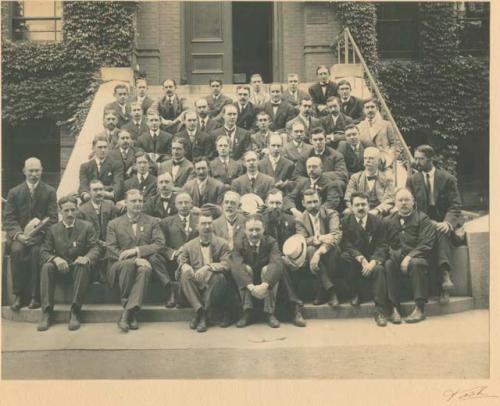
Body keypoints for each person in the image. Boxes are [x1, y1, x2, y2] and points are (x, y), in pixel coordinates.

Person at [406, 145, 463, 304]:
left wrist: (447, 222)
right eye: (415, 158)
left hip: (443, 222)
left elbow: (455, 205)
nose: (416, 162)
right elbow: (411, 206)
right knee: (435, 231)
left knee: (440, 230)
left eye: (421, 158)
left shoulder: (447, 178)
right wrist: (426, 222)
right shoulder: (412, 179)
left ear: (431, 159)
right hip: (422, 223)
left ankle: (445, 282)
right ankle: (445, 277)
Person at [106, 189, 167, 332]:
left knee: (146, 269)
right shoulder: (114, 224)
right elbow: (111, 248)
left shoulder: (151, 221)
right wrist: (134, 259)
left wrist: (137, 251)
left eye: (140, 201)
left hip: (143, 263)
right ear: (126, 203)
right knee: (128, 265)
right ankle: (131, 312)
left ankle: (128, 313)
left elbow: (160, 243)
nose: (138, 204)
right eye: (133, 201)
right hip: (118, 265)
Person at [37, 195, 100, 331]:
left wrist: (86, 257)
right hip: (62, 269)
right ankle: (47, 312)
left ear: (77, 209)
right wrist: (55, 259)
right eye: (66, 210)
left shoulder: (87, 226)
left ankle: (75, 311)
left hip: (80, 271)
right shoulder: (53, 229)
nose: (70, 214)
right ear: (60, 211)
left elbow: (95, 247)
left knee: (82, 266)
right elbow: (44, 251)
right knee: (47, 267)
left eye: (73, 210)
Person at [4, 157, 58, 310]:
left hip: (40, 237)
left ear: (42, 171)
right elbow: (9, 218)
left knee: (36, 253)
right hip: (19, 237)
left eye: (37, 170)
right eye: (30, 171)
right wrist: (19, 235)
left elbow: (52, 218)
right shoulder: (14, 192)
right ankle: (19, 296)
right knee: (17, 251)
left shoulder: (49, 192)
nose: (34, 174)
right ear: (24, 171)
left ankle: (35, 296)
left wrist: (37, 236)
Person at [384, 188, 436, 324]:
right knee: (388, 264)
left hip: (418, 257)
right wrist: (393, 254)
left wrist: (409, 257)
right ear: (395, 203)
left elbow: (426, 243)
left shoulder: (422, 218)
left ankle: (419, 308)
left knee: (416, 263)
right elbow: (383, 243)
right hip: (396, 257)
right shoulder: (388, 221)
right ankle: (394, 308)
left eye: (407, 200)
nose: (403, 203)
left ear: (413, 202)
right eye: (400, 200)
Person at [177, 209, 233, 332]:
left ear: (213, 225)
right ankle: (200, 311)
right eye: (203, 224)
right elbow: (182, 261)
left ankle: (203, 314)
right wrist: (184, 266)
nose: (207, 227)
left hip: (214, 285)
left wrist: (209, 267)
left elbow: (226, 264)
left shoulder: (222, 244)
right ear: (197, 226)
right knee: (185, 275)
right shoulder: (189, 246)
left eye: (209, 223)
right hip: (196, 284)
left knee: (219, 277)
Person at [340, 192, 389, 326]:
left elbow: (382, 245)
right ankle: (355, 293)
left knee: (379, 269)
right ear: (351, 207)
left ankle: (380, 310)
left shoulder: (378, 221)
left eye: (363, 204)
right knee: (344, 258)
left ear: (368, 205)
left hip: (373, 259)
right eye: (357, 205)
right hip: (356, 259)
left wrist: (373, 262)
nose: (361, 208)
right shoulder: (345, 222)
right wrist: (360, 259)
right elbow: (346, 244)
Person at [262, 189, 306, 327]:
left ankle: (273, 313)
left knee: (284, 265)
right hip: (265, 259)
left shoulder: (291, 220)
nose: (275, 206)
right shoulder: (260, 220)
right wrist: (280, 258)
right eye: (272, 203)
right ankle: (295, 306)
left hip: (287, 260)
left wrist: (291, 257)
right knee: (278, 264)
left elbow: (299, 239)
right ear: (266, 203)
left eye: (278, 203)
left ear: (282, 204)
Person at [231, 214, 284, 328]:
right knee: (245, 268)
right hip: (249, 281)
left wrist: (264, 285)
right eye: (251, 230)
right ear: (245, 231)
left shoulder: (271, 242)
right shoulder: (239, 243)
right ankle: (247, 311)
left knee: (268, 269)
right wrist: (251, 287)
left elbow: (277, 263)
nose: (254, 234)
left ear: (263, 229)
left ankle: (269, 312)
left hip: (265, 280)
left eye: (257, 230)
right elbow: (237, 267)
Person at [295, 189, 342, 306]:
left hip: (330, 249)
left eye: (315, 201)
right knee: (310, 250)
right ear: (303, 203)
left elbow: (335, 235)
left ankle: (323, 290)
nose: (313, 205)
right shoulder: (300, 219)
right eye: (309, 202)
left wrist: (319, 252)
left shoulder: (331, 214)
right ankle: (330, 290)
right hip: (312, 251)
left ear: (320, 201)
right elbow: (302, 240)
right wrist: (320, 238)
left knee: (331, 249)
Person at [158, 192, 199, 308]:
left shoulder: (199, 221)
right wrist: (175, 253)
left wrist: (187, 252)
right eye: (180, 203)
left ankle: (181, 296)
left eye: (186, 202)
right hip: (173, 260)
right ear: (175, 205)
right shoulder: (166, 222)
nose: (184, 205)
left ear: (191, 204)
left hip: (194, 258)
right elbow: (160, 244)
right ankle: (172, 290)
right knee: (156, 258)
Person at [77, 179, 120, 283]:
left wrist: (109, 242)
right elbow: (84, 233)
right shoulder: (82, 210)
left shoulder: (110, 205)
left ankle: (110, 278)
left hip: (109, 242)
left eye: (101, 189)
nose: (99, 192)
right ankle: (96, 277)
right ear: (90, 192)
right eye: (95, 190)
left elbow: (116, 226)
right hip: (92, 244)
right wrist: (100, 243)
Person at [344, 147, 395, 216]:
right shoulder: (355, 178)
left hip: (379, 214)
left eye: (371, 158)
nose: (367, 161)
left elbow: (389, 200)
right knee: (347, 213)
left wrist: (377, 210)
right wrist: (357, 209)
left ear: (379, 161)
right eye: (365, 158)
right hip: (358, 211)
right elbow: (348, 197)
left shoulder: (387, 179)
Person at [79, 135, 124, 202]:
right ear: (93, 148)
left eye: (105, 147)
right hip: (89, 200)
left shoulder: (116, 165)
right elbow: (83, 185)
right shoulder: (85, 166)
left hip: (108, 199)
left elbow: (117, 185)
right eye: (100, 147)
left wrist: (107, 193)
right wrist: (85, 194)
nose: (103, 150)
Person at [357, 99, 397, 166]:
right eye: (367, 107)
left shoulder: (386, 124)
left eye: (372, 107)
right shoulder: (359, 126)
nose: (370, 110)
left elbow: (395, 144)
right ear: (363, 110)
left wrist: (389, 158)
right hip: (368, 161)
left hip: (385, 160)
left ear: (377, 108)